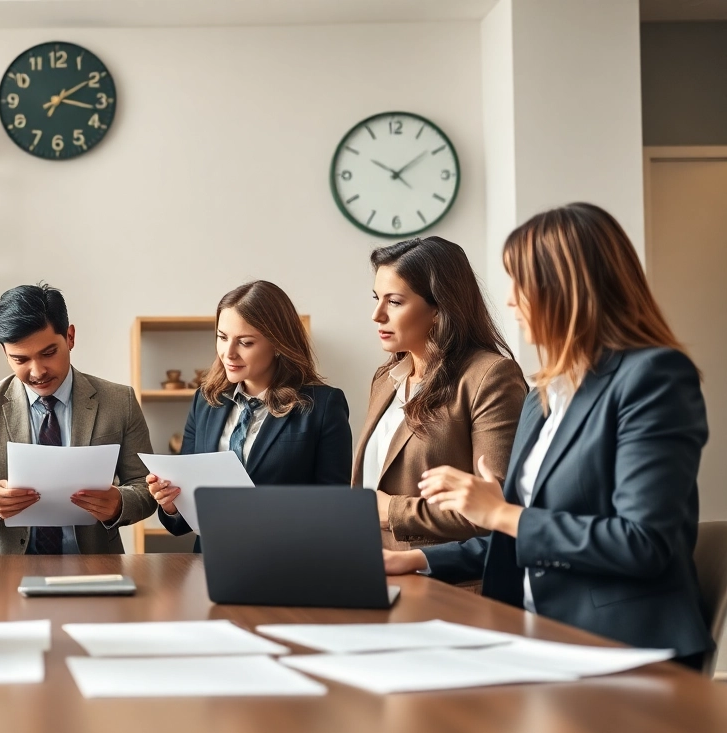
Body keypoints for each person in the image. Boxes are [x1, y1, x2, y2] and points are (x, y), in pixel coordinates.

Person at [387, 203, 713, 666]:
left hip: (623, 649)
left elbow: (642, 543)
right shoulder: (545, 393)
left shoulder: (654, 376)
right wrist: (419, 560)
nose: (510, 300)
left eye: (521, 283)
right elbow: (526, 533)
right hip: (535, 635)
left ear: (568, 288)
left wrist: (500, 513)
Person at [0, 283, 155, 554]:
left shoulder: (119, 401)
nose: (37, 371)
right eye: (20, 359)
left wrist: (119, 503)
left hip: (96, 564)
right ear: (5, 353)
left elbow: (146, 487)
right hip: (4, 571)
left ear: (69, 337)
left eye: (48, 353)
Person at [146, 281, 351, 552]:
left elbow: (333, 509)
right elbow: (181, 522)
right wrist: (171, 504)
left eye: (245, 342)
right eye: (222, 337)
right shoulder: (206, 401)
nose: (228, 353)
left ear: (278, 344)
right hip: (211, 564)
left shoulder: (323, 405)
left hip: (289, 564)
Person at [354, 237, 527, 552]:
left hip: (447, 582)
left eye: (394, 301)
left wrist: (391, 511)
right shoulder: (385, 379)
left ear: (438, 308)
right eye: (376, 298)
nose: (377, 314)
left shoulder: (490, 377)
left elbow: (496, 505)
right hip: (372, 568)